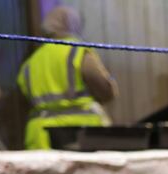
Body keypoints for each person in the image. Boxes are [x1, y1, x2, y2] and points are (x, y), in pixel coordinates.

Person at [17, 6, 118, 150]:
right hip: (81, 136)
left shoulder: (30, 63)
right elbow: (105, 91)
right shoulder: (78, 52)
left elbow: (24, 98)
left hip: (40, 136)